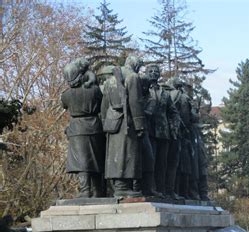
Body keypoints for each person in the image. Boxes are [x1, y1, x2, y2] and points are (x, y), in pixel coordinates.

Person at [101, 55, 145, 198]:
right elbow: (135, 102)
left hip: (112, 122)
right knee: (127, 153)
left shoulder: (110, 81)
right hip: (127, 121)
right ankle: (122, 186)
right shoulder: (133, 77)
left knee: (116, 154)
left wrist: (105, 122)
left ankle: (120, 185)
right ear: (136, 65)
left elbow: (104, 105)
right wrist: (140, 124)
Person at [61, 58, 105, 198]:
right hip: (95, 126)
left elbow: (64, 105)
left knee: (81, 161)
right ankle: (98, 191)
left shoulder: (66, 95)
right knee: (96, 159)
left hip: (77, 128)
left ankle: (85, 191)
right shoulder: (94, 91)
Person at [144, 64, 180, 198]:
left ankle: (162, 190)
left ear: (159, 75)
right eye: (151, 71)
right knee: (149, 161)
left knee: (162, 163)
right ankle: (150, 188)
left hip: (163, 133)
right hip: (148, 131)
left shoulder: (165, 93)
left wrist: (174, 127)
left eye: (156, 71)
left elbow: (174, 112)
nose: (153, 73)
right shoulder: (142, 89)